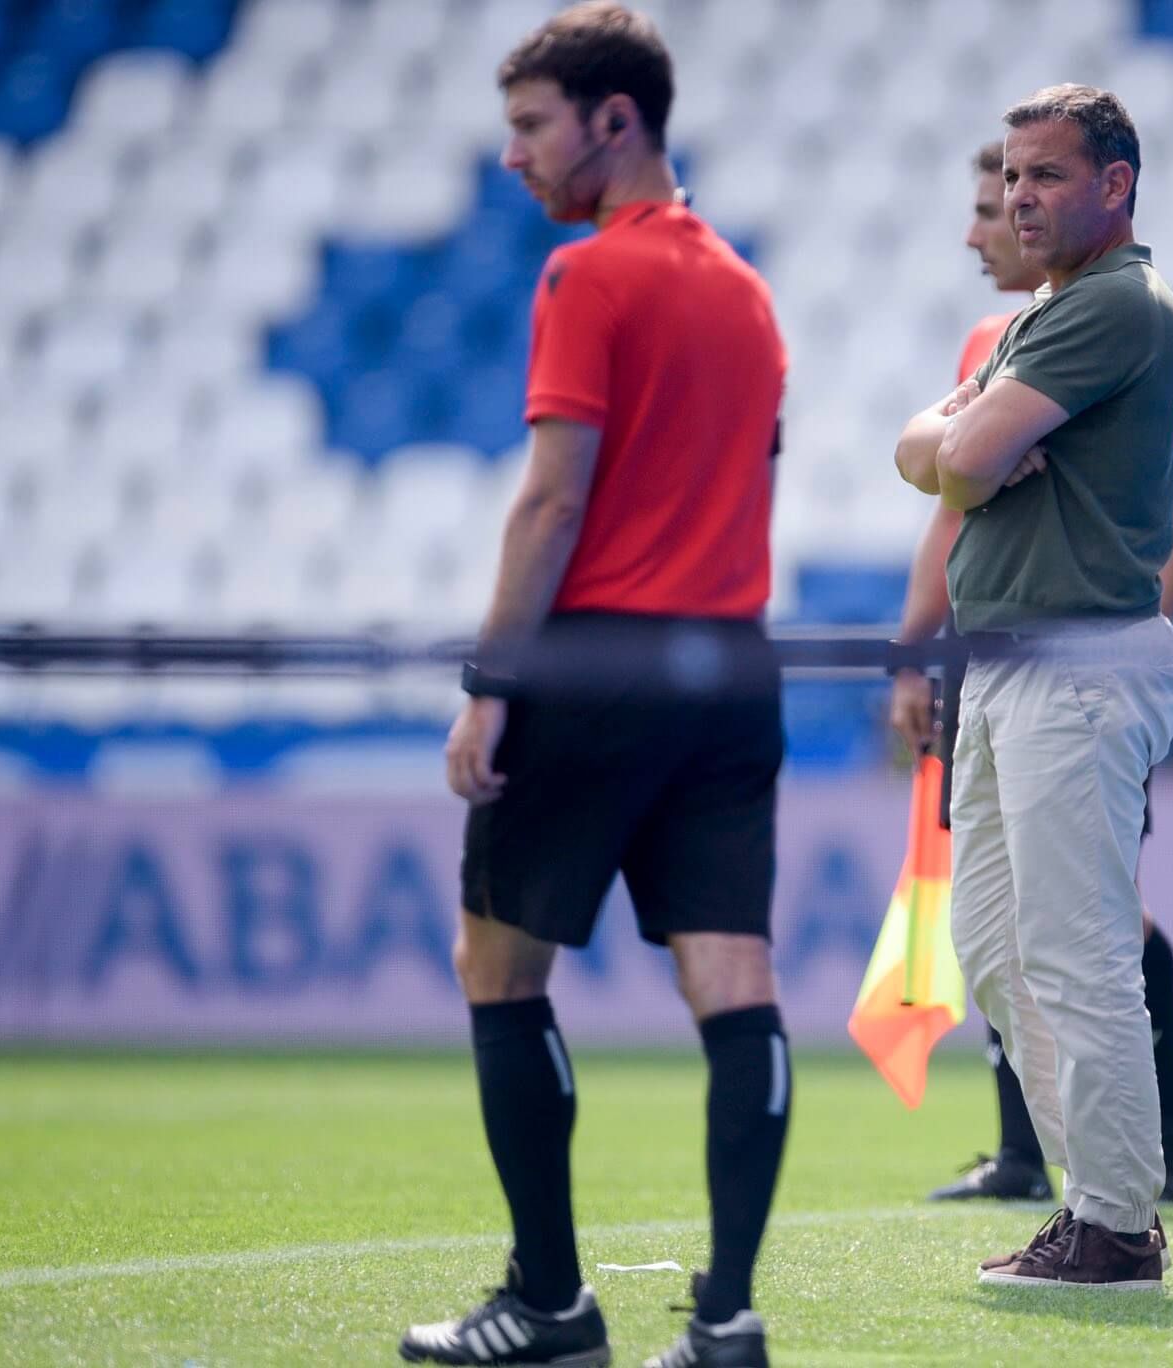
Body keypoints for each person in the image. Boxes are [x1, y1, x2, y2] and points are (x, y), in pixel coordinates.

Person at [399, 7, 788, 1366]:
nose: (511, 158)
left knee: (498, 965)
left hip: (602, 664)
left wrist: (491, 683)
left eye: (528, 126)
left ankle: (555, 1304)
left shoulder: (589, 278)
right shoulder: (747, 289)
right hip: (735, 668)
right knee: (734, 978)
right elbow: (754, 480)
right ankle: (727, 1319)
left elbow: (551, 497)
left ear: (612, 121)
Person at [893, 84, 1173, 1291]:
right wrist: (956, 450)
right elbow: (940, 459)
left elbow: (950, 456)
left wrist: (958, 447)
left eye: (1045, 176)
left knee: (1070, 955)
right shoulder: (1054, 311)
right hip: (1013, 661)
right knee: (997, 950)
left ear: (1113, 185)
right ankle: (1095, 1206)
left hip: (1071, 663)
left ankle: (1116, 1224)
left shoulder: (1109, 305)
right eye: (1011, 175)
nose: (1018, 197)